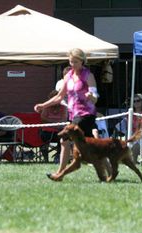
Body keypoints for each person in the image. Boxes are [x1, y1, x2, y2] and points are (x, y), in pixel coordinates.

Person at [34, 48, 100, 178]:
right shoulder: (68, 76)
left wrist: (90, 96)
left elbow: (95, 97)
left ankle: (59, 174)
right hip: (73, 115)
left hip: (86, 114)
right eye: (71, 62)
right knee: (92, 145)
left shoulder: (88, 75)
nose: (72, 64)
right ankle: (109, 170)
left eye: (75, 62)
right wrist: (43, 105)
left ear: (82, 61)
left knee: (64, 140)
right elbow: (60, 96)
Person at [39, 90, 68, 163]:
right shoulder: (46, 107)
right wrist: (55, 123)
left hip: (59, 131)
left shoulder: (63, 107)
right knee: (42, 137)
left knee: (64, 137)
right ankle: (46, 160)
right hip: (47, 132)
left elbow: (64, 119)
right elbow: (43, 118)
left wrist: (52, 122)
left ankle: (58, 156)